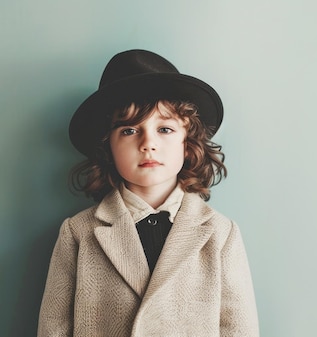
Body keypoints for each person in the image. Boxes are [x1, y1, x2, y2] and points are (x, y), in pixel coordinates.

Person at [38, 49, 259, 336]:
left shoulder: (220, 234)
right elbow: (53, 328)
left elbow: (239, 328)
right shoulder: (78, 234)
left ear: (187, 142)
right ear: (108, 147)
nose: (148, 143)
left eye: (165, 129)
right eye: (129, 131)